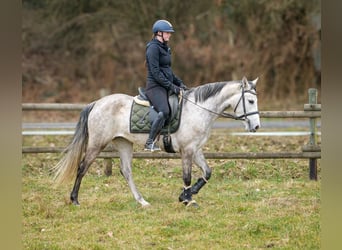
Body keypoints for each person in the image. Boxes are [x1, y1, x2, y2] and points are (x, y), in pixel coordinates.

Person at [144, 19, 187, 151]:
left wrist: (180, 83)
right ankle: (149, 142)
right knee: (165, 111)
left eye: (170, 33)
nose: (169, 35)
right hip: (154, 87)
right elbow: (156, 73)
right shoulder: (152, 48)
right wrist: (172, 87)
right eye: (167, 33)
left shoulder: (165, 48)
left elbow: (168, 71)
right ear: (159, 33)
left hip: (164, 85)